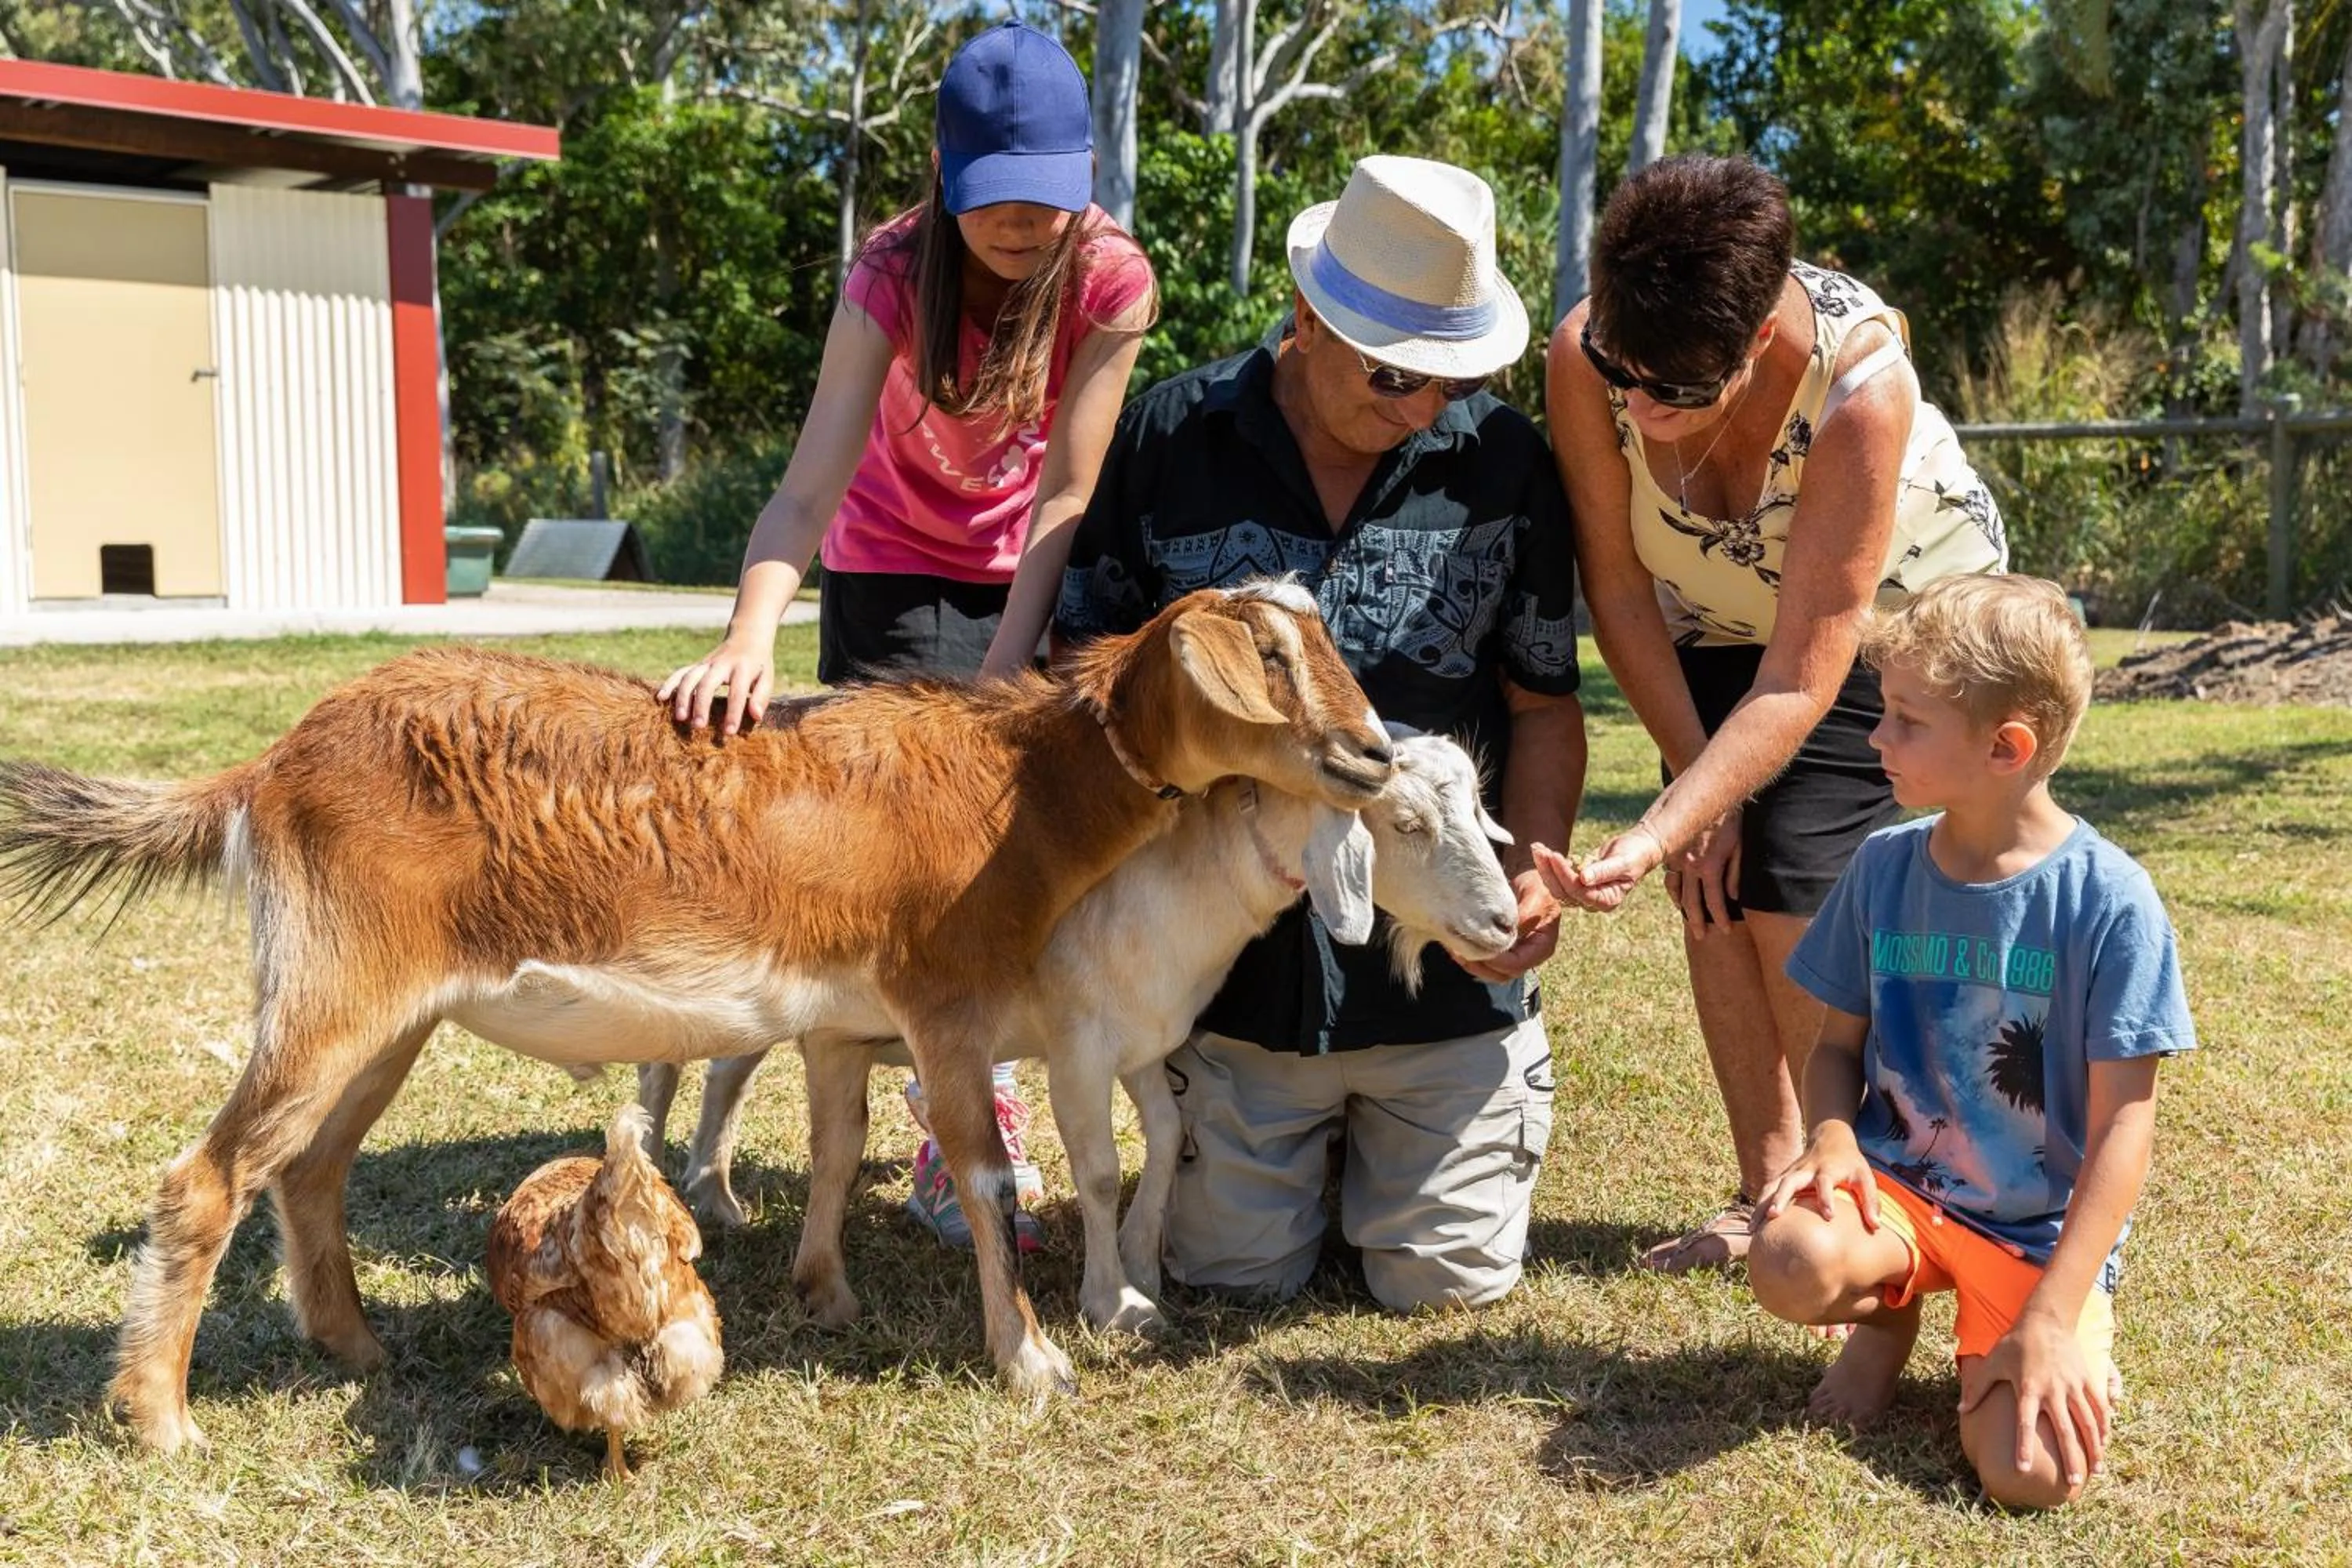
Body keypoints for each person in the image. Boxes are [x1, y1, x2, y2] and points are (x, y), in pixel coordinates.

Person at [658, 19, 1157, 1250]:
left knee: (1021, 853)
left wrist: (1000, 688)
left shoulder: (1111, 277)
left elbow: (1067, 494)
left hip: (1028, 563)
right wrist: (747, 636)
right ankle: (950, 1113)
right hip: (887, 560)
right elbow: (807, 487)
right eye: (996, 200)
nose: (1023, 224)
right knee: (909, 870)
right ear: (945, 174)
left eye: (1048, 198)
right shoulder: (891, 269)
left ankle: (979, 1105)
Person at [1054, 155, 1584, 1312]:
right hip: (1229, 992)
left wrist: (1532, 864)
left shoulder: (1507, 463)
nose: (1424, 408)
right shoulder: (1171, 439)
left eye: (1455, 378)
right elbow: (1083, 679)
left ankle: (1397, 1141)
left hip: (1438, 988)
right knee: (1230, 1275)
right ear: (1306, 319)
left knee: (1443, 1287)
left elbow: (1544, 703)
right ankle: (1310, 1150)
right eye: (1398, 376)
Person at [1537, 154, 2008, 1272]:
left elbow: (1806, 669)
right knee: (1715, 871)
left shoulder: (1861, 385)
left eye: (1675, 391)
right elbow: (1612, 583)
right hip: (1704, 608)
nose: (1638, 408)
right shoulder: (1588, 351)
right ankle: (1765, 1186)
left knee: (1794, 861)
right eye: (1623, 372)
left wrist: (1654, 827)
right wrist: (1693, 793)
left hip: (1887, 606)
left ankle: (1860, 1183)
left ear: (1755, 344)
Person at [1743, 575, 2195, 1510]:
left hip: (2031, 1232)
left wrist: (2053, 1315)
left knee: (2030, 1476)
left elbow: (2122, 1133)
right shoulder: (1883, 865)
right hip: (1895, 1192)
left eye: (1905, 719)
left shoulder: (2110, 903)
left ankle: (2010, 1340)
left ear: (2006, 746)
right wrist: (1831, 1137)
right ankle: (1891, 1317)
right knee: (1788, 1259)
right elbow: (1834, 1051)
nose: (1876, 737)